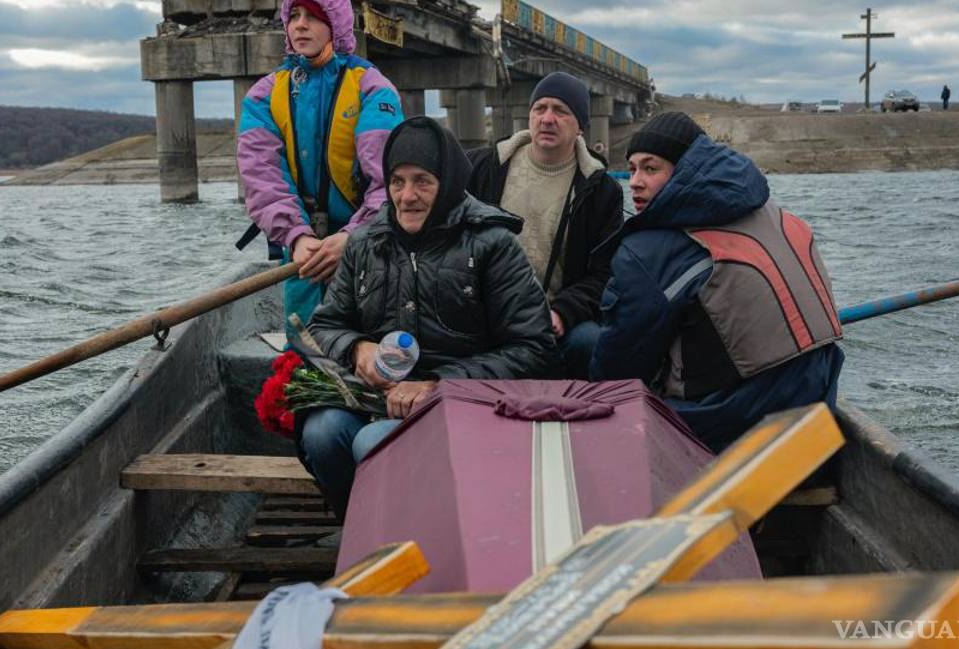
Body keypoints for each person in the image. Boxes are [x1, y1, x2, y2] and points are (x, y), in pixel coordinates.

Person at [303, 116, 556, 516]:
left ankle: (417, 544)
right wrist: (357, 349)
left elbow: (535, 347)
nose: (407, 196)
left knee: (376, 443)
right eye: (397, 181)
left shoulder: (493, 244)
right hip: (380, 399)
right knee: (322, 433)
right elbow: (325, 324)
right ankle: (364, 533)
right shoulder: (365, 243)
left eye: (422, 181)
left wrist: (439, 385)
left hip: (466, 405)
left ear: (448, 182)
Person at [590, 112, 844, 451]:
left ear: (684, 171)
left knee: (588, 352)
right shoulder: (771, 211)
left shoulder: (649, 253)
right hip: (819, 399)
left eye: (651, 169)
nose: (634, 181)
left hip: (741, 420)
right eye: (632, 168)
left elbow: (616, 370)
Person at [237, 0, 403, 346]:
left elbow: (388, 181)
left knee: (368, 351)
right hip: (303, 250)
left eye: (313, 16)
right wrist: (296, 236)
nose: (299, 25)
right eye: (294, 16)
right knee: (304, 354)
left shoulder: (371, 87)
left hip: (366, 247)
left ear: (336, 24)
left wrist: (353, 238)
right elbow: (262, 178)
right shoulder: (263, 96)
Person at [467, 72, 623, 379]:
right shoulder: (484, 167)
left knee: (591, 340)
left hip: (553, 323)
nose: (548, 118)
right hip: (483, 317)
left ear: (580, 125)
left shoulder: (602, 191)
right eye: (540, 108)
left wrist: (563, 312)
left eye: (561, 111)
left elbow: (605, 274)